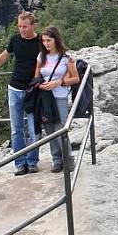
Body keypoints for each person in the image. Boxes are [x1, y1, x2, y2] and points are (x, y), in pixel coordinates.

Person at [0, 11, 41, 176]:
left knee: (34, 129)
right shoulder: (15, 39)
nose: (22, 30)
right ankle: (20, 164)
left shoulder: (41, 41)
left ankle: (32, 162)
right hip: (14, 89)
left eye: (25, 27)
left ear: (33, 26)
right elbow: (4, 56)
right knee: (16, 129)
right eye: (19, 26)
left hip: (33, 91)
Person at [34, 26, 79, 173]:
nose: (46, 44)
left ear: (56, 40)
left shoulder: (66, 58)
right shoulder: (41, 57)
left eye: (49, 40)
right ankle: (57, 160)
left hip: (59, 96)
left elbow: (76, 78)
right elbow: (36, 78)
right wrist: (41, 85)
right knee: (49, 128)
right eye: (44, 41)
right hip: (45, 98)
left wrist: (58, 83)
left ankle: (68, 159)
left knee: (60, 127)